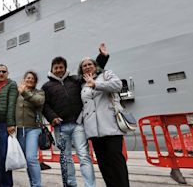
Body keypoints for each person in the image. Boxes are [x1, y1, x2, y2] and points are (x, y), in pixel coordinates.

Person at [41, 44, 109, 187]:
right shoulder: (46, 86)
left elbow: (90, 72)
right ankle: (71, 184)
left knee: (84, 156)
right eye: (56, 67)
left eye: (61, 67)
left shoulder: (75, 80)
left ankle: (90, 185)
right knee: (66, 158)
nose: (59, 70)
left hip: (78, 124)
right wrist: (52, 117)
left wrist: (102, 58)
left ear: (65, 68)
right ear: (52, 69)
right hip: (60, 127)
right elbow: (44, 105)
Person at [77, 57, 130, 187]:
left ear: (95, 66)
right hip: (94, 130)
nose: (87, 66)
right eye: (84, 66)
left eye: (90, 64)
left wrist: (96, 84)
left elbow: (118, 85)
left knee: (116, 160)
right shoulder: (82, 85)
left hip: (110, 125)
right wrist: (79, 122)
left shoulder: (106, 75)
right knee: (103, 163)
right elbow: (84, 106)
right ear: (81, 69)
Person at [0, 64, 18, 187]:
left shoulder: (12, 85)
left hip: (4, 125)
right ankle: (0, 183)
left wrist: (11, 123)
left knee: (4, 157)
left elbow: (12, 104)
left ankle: (7, 184)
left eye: (3, 71)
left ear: (7, 73)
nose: (1, 73)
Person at [15, 71, 45, 187]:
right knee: (27, 161)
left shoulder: (39, 92)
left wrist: (25, 92)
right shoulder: (17, 93)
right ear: (24, 79)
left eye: (32, 78)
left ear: (35, 81)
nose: (30, 80)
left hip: (33, 128)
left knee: (31, 158)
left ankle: (37, 185)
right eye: (28, 78)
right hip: (19, 130)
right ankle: (32, 183)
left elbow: (39, 101)